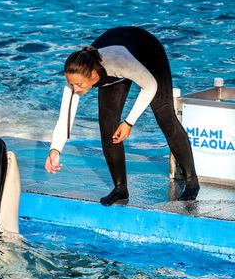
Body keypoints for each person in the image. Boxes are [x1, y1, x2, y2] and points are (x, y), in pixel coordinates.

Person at [44, 26, 200, 206]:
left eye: (78, 84)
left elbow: (149, 86)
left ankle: (191, 182)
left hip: (148, 53)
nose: (75, 89)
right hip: (116, 67)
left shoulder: (118, 62)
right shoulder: (77, 76)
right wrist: (55, 149)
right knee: (108, 128)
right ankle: (120, 189)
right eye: (71, 84)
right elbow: (65, 118)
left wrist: (128, 122)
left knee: (165, 116)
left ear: (94, 75)